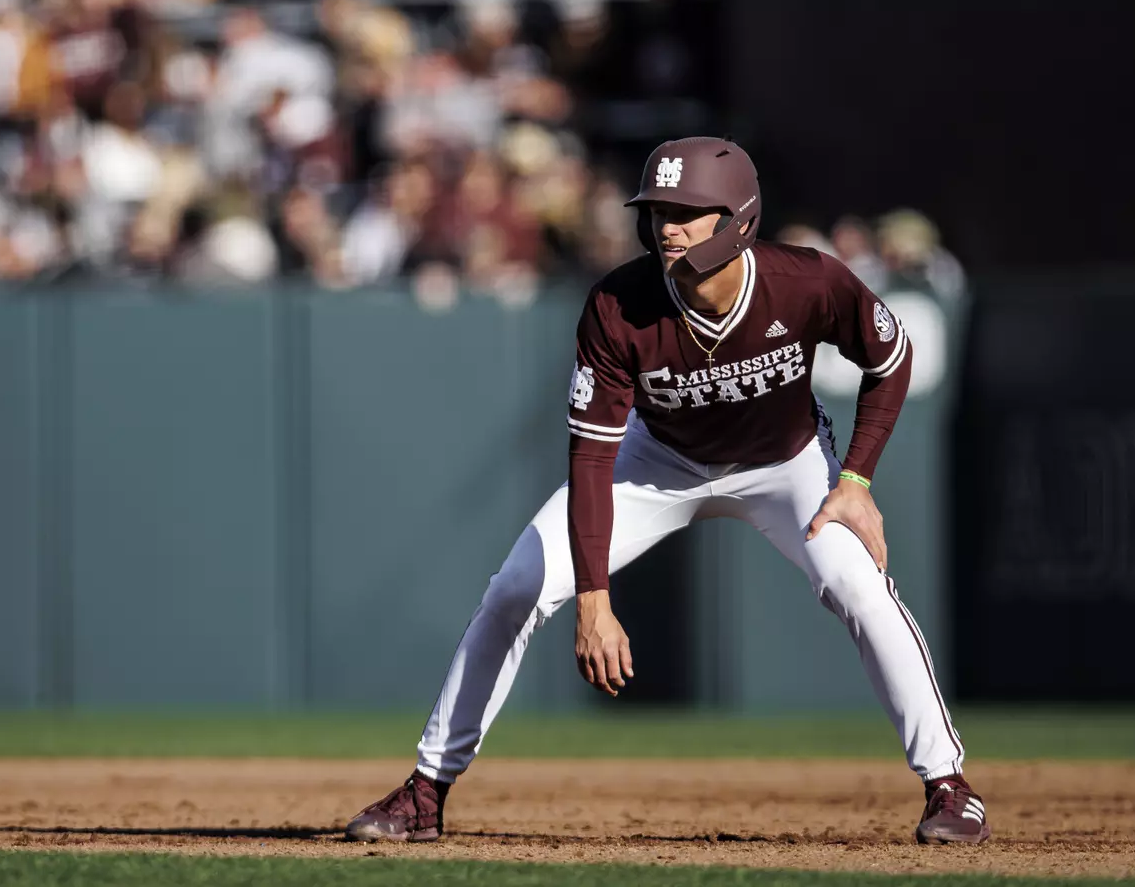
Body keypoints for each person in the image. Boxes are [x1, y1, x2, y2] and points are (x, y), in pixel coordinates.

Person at [344, 137, 988, 847]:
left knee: (859, 585)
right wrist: (592, 600)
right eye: (656, 211)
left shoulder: (806, 282)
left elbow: (890, 361)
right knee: (514, 588)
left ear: (739, 217)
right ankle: (427, 790)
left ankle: (949, 787)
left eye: (687, 212)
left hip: (787, 464)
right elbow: (591, 457)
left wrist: (857, 478)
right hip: (659, 462)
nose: (666, 227)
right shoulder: (620, 305)